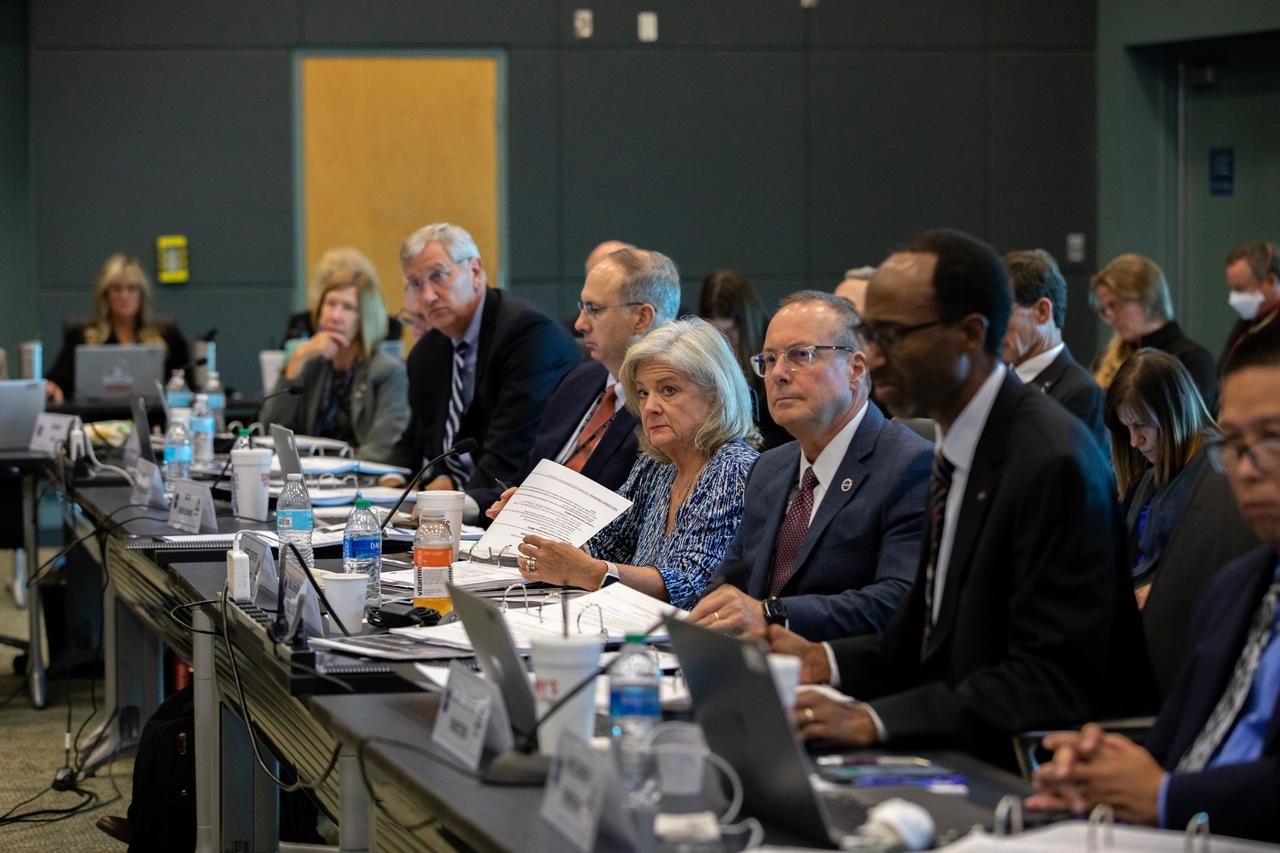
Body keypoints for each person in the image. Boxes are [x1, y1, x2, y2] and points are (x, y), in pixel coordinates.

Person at [765, 229, 1154, 768]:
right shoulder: (958, 445)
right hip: (958, 738)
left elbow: (1049, 682)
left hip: (1035, 769)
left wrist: (874, 721)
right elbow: (924, 637)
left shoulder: (1049, 461)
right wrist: (824, 661)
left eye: (894, 336)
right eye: (871, 336)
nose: (874, 359)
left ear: (971, 333)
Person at [1027, 322, 1280, 843]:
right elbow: (1171, 738)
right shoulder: (1233, 588)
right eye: (1234, 443)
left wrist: (1162, 796)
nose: (1245, 469)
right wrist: (1103, 768)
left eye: (1271, 440)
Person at [687, 291, 931, 641]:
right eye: (769, 359)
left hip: (840, 666)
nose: (778, 374)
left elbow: (897, 600)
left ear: (855, 369)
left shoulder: (910, 465)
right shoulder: (769, 467)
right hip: (752, 663)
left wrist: (773, 616)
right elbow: (729, 583)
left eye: (800, 355)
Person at [504, 318, 760, 609]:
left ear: (715, 396)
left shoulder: (734, 468)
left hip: (689, 633)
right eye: (643, 392)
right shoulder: (656, 465)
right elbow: (606, 543)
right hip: (634, 622)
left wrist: (592, 573)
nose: (650, 407)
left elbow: (689, 584)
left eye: (668, 390)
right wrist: (536, 515)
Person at [466, 247, 679, 524]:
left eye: (594, 310)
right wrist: (465, 504)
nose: (580, 324)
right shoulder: (577, 382)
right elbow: (522, 482)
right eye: (582, 308)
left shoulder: (667, 408)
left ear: (642, 318)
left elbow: (633, 519)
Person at [1103, 348, 1258, 694]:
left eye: (1141, 425)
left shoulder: (1216, 470)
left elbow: (1214, 565)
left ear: (1174, 411)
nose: (1135, 441)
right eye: (1127, 428)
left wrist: (1159, 589)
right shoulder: (1149, 475)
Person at [385, 222, 580, 491]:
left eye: (438, 276)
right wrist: (388, 488)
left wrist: (460, 502)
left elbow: (511, 451)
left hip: (515, 496)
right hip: (458, 496)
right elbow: (427, 441)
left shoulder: (528, 335)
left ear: (475, 271)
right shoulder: (426, 353)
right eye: (416, 284)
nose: (427, 296)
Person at [259, 248, 409, 462]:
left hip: (359, 475)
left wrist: (337, 470)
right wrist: (296, 360)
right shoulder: (312, 366)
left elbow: (383, 448)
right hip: (310, 474)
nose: (335, 316)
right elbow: (272, 430)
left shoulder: (389, 372)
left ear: (366, 318)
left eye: (348, 307)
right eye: (330, 304)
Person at [45, 254, 190, 404]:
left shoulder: (168, 337)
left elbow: (188, 386)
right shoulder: (81, 337)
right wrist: (53, 387)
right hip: (96, 416)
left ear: (142, 294)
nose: (124, 296)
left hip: (152, 416)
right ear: (105, 296)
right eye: (116, 289)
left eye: (131, 288)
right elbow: (56, 381)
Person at [1002, 249, 1107, 450]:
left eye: (1005, 312)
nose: (994, 326)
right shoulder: (1000, 381)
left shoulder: (1081, 393)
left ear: (1042, 312)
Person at [1091, 253, 1218, 412]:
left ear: (1147, 298)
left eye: (1115, 305)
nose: (1109, 318)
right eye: (1104, 310)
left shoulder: (1193, 360)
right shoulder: (1106, 358)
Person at [699, 269, 789, 449]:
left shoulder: (772, 349)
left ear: (746, 324)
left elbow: (784, 427)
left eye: (729, 332)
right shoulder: (703, 350)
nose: (723, 341)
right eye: (715, 332)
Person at [1219, 240, 1280, 372]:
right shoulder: (1247, 322)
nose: (1234, 297)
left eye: (1240, 289)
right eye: (1232, 289)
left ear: (1271, 281)